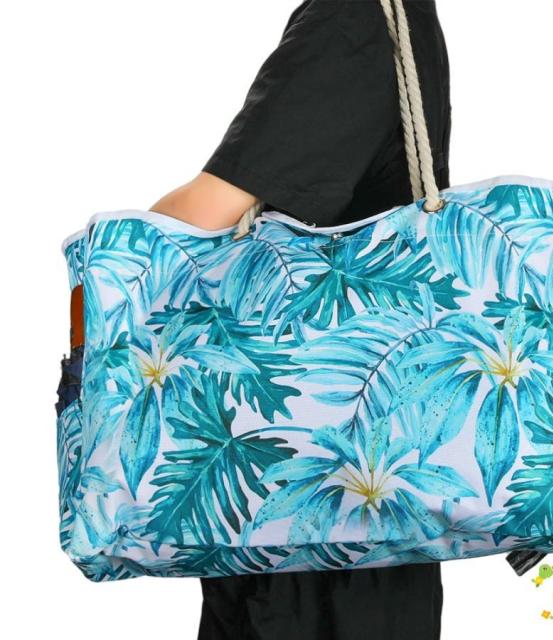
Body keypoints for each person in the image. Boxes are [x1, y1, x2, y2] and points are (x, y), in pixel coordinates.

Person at [150, 1, 452, 638]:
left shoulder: (352, 18)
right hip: (366, 511)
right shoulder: (397, 12)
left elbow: (199, 218)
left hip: (308, 535)